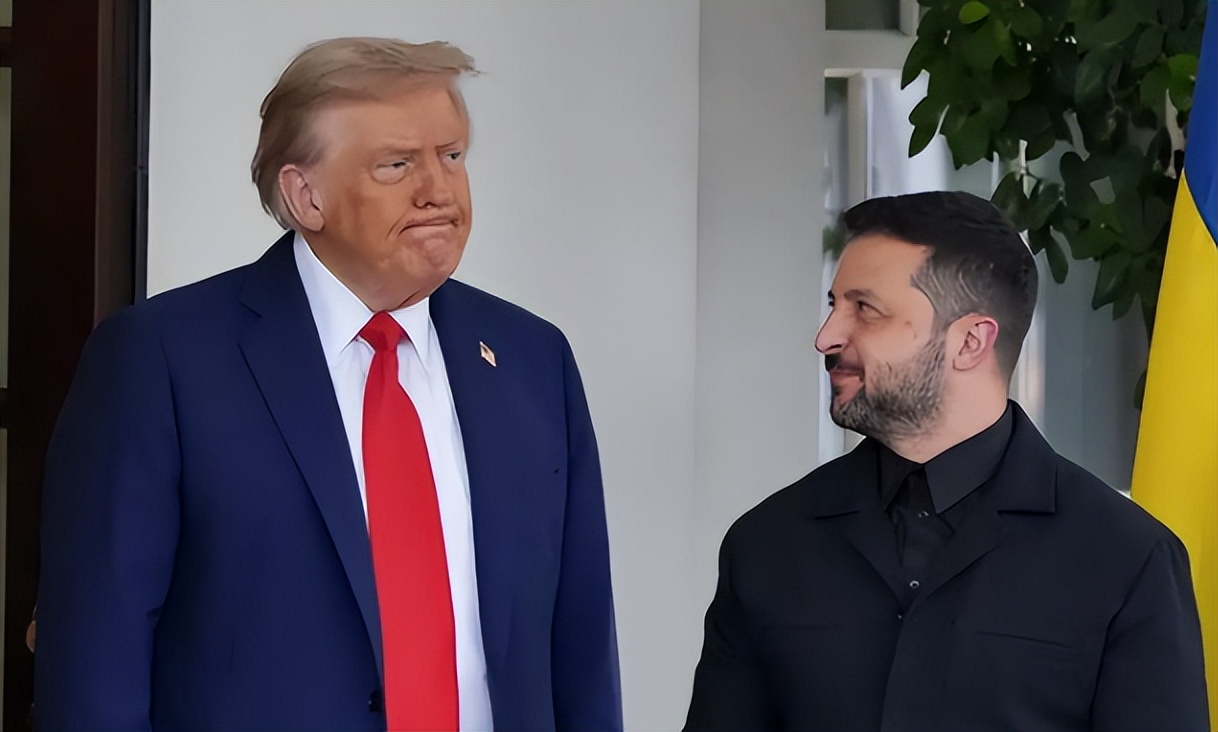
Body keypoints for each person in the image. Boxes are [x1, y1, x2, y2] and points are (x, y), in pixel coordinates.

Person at [35, 37, 621, 732]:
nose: (438, 191)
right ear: (305, 195)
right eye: (396, 164)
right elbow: (96, 660)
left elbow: (582, 645)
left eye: (452, 156)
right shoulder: (162, 360)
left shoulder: (532, 359)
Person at [685, 191, 1208, 730]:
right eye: (834, 305)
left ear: (971, 341)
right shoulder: (766, 544)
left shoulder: (1127, 559)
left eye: (865, 309)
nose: (827, 337)